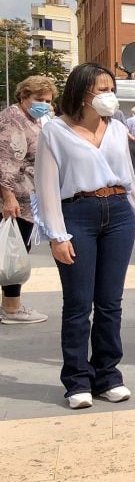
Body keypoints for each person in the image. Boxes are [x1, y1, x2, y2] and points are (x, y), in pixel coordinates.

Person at [33, 63, 135, 408]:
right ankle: (76, 379)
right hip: (78, 214)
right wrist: (57, 235)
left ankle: (108, 374)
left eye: (110, 88)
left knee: (110, 302)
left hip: (116, 212)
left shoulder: (116, 129)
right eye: (101, 89)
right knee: (77, 303)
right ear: (81, 91)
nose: (108, 95)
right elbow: (46, 188)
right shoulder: (54, 131)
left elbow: (127, 177)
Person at [0, 75, 56, 325]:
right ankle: (11, 308)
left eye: (47, 100)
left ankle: (11, 305)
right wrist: (8, 196)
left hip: (25, 197)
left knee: (14, 251)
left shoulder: (31, 118)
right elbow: (7, 162)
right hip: (15, 199)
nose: (44, 104)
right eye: (38, 99)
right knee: (13, 252)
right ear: (24, 97)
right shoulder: (13, 120)